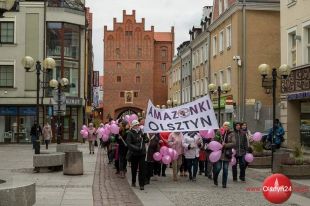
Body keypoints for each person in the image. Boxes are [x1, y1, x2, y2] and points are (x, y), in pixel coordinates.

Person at [126, 119, 149, 190]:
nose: (137, 126)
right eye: (136, 125)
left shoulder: (141, 132)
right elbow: (129, 143)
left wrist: (145, 137)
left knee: (142, 169)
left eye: (138, 125)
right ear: (133, 126)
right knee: (134, 168)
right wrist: (136, 148)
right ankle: (133, 181)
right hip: (134, 153)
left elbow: (147, 140)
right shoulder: (130, 133)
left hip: (142, 153)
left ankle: (141, 184)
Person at [213, 122, 235, 188]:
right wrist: (218, 136)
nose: (226, 127)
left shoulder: (231, 134)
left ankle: (224, 183)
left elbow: (234, 143)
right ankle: (215, 178)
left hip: (227, 153)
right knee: (218, 168)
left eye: (227, 126)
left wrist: (226, 145)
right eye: (225, 125)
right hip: (219, 153)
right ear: (223, 126)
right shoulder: (219, 132)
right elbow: (215, 140)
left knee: (225, 169)